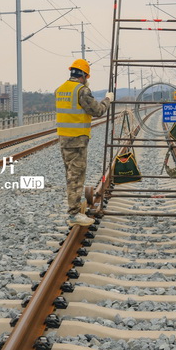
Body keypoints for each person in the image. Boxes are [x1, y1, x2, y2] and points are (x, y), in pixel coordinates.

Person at [55, 59, 114, 226]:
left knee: (70, 174)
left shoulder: (60, 89)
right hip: (77, 141)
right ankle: (74, 214)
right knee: (76, 176)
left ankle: (74, 205)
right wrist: (108, 99)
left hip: (64, 139)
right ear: (83, 75)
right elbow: (98, 110)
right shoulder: (81, 90)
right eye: (87, 76)